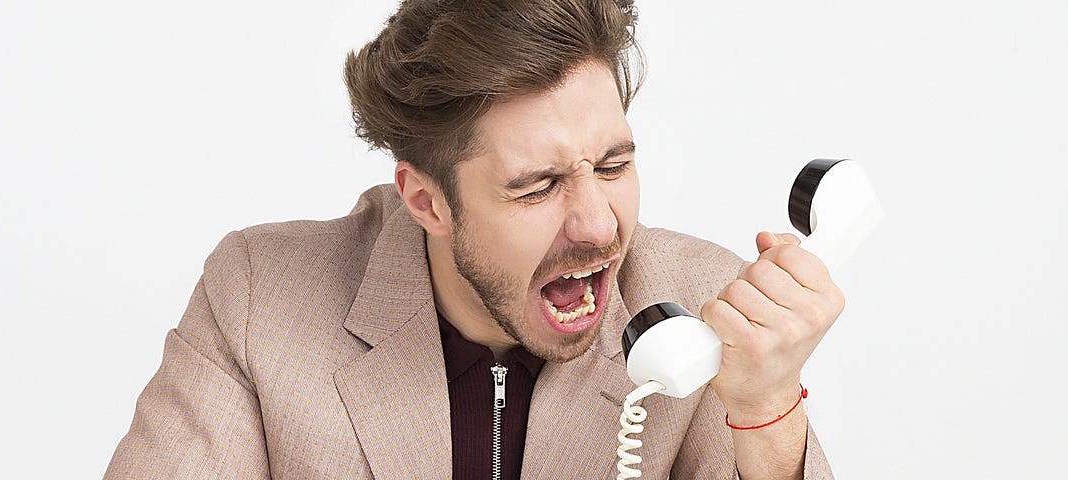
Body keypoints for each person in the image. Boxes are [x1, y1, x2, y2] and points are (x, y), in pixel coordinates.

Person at [105, 1, 841, 478]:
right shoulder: (260, 296)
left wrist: (767, 409)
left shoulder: (700, 304)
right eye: (537, 186)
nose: (599, 224)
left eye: (614, 165)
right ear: (426, 199)